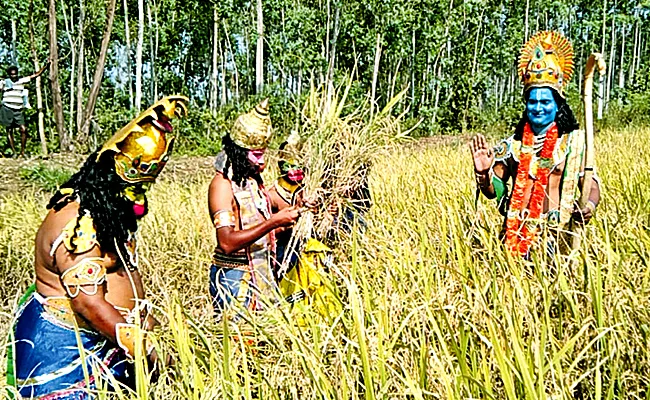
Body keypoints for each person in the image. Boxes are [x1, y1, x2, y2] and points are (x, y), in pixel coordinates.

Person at [6, 96, 188, 399]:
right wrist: (149, 352)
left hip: (104, 349)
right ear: (108, 181)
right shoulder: (80, 225)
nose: (138, 202)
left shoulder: (103, 212)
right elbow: (89, 303)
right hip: (68, 355)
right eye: (133, 190)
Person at [470, 31, 601, 257]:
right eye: (532, 101)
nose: (538, 107)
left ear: (558, 105)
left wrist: (588, 205)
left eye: (545, 101)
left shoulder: (573, 144)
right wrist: (483, 175)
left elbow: (591, 183)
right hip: (515, 235)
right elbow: (495, 191)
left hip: (556, 238)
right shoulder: (513, 146)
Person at [208, 99, 300, 318]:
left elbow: (262, 234)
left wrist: (295, 215)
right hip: (234, 278)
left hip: (261, 274)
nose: (263, 163)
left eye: (263, 154)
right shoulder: (222, 186)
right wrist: (274, 222)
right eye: (257, 156)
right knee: (239, 345)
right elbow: (227, 242)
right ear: (239, 152)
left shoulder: (251, 182)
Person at [0, 64, 47, 157]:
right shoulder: (4, 82)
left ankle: (23, 151)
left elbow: (36, 75)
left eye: (15, 74)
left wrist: (46, 66)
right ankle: (14, 152)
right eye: (12, 74)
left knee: (23, 129)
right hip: (7, 108)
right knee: (9, 130)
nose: (14, 76)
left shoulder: (21, 81)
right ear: (9, 75)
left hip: (18, 109)